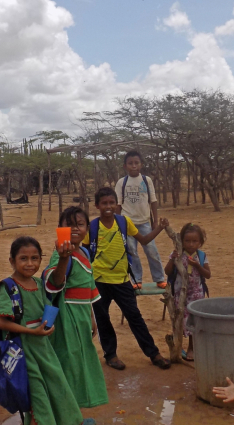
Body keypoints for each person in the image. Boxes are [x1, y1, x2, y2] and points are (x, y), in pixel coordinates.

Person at [0, 236, 83, 425]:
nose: (30, 263)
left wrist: (46, 327)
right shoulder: (8, 286)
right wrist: (31, 331)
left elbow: (55, 289)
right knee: (38, 402)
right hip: (25, 354)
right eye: (23, 258)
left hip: (44, 351)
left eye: (35, 258)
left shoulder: (38, 283)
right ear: (12, 261)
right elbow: (1, 321)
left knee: (58, 392)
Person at [86, 187, 172, 370]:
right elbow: (84, 252)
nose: (108, 206)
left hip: (122, 280)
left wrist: (160, 228)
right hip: (98, 281)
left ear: (117, 205)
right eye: (104, 203)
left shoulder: (124, 222)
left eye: (111, 203)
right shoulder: (92, 227)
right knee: (102, 319)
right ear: (97, 205)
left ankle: (153, 353)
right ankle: (111, 355)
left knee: (135, 317)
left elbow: (144, 240)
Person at [43, 206, 108, 425]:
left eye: (79, 224)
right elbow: (54, 283)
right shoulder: (61, 253)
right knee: (68, 368)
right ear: (60, 228)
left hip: (80, 318)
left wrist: (91, 318)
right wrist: (63, 258)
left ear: (86, 228)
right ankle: (68, 424)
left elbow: (89, 288)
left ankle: (73, 418)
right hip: (66, 319)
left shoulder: (85, 253)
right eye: (68, 224)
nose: (74, 229)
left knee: (78, 365)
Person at [115, 150, 166, 289]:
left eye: (136, 163)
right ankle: (136, 280)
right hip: (127, 223)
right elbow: (118, 205)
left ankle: (159, 278)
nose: (134, 166)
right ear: (125, 166)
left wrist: (155, 221)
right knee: (132, 252)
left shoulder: (146, 180)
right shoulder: (121, 182)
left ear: (141, 164)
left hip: (144, 222)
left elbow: (153, 201)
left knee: (152, 251)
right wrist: (119, 223)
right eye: (130, 163)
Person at [164, 222, 211, 361]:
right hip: (180, 294)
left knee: (194, 321)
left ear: (200, 242)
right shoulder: (178, 254)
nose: (191, 244)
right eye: (187, 241)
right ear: (181, 241)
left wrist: (197, 265)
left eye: (194, 241)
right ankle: (178, 347)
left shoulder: (201, 256)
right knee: (180, 320)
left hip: (196, 294)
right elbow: (167, 271)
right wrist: (172, 259)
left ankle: (192, 348)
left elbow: (208, 274)